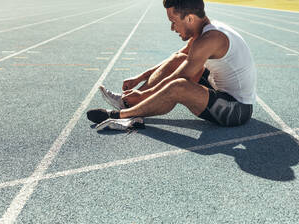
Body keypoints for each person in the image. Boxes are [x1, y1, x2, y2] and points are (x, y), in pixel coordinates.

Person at [87, 0, 257, 130]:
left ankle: (122, 114)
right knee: (179, 59)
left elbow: (179, 80)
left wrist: (143, 95)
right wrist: (140, 78)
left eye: (174, 21)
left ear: (190, 18)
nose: (172, 27)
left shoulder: (210, 39)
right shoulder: (206, 31)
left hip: (236, 110)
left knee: (178, 87)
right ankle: (130, 103)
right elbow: (177, 58)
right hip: (218, 90)